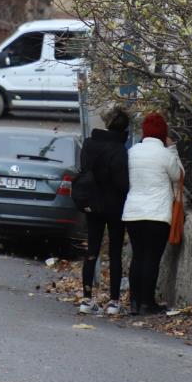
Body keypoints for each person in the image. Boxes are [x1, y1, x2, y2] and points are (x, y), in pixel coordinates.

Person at [122, 112, 183, 316]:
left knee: (138, 257)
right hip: (157, 214)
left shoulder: (132, 152)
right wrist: (172, 148)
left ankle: (134, 302)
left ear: (144, 132)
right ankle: (148, 302)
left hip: (133, 213)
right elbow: (178, 175)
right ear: (163, 134)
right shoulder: (165, 154)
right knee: (151, 258)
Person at [77, 107, 131, 316]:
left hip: (92, 204)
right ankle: (114, 302)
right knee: (115, 252)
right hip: (115, 206)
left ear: (106, 123)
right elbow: (122, 182)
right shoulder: (119, 149)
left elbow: (84, 169)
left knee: (92, 250)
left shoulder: (89, 144)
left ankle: (86, 298)